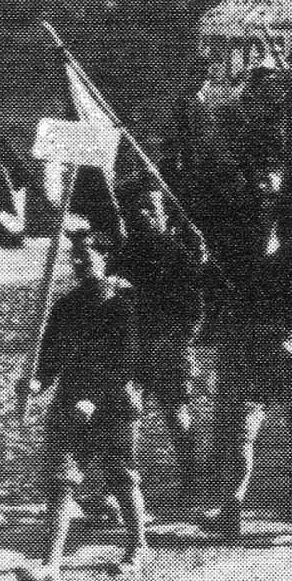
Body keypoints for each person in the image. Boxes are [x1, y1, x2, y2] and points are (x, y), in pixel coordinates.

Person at [204, 153, 292, 535]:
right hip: (253, 349)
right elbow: (227, 294)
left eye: (275, 213)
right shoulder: (242, 254)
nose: (265, 220)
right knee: (243, 428)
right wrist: (211, 268)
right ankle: (232, 505)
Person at [14, 231, 148, 581]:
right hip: (69, 401)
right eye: (74, 258)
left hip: (114, 404)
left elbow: (127, 365)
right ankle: (50, 567)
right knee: (61, 481)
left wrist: (95, 399)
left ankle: (137, 544)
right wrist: (37, 382)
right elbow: (51, 357)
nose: (77, 264)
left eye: (85, 258)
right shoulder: (65, 306)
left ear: (104, 259)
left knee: (120, 475)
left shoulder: (123, 306)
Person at [116, 179, 209, 509]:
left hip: (168, 347)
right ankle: (126, 483)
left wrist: (179, 341)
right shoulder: (124, 253)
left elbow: (194, 307)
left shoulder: (178, 254)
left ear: (164, 214)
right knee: (127, 414)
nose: (142, 214)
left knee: (176, 413)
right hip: (131, 346)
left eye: (149, 208)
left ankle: (189, 478)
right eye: (136, 208)